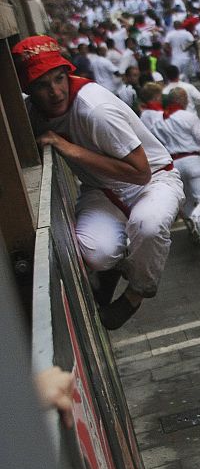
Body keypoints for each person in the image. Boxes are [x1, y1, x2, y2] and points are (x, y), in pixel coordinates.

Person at [14, 35, 184, 330]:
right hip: (102, 190)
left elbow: (140, 172)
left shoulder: (95, 109)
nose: (55, 91)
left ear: (68, 73)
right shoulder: (32, 113)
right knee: (97, 252)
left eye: (58, 78)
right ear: (29, 89)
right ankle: (114, 268)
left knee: (149, 225)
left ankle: (135, 294)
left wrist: (70, 148)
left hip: (154, 181)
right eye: (42, 85)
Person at [157, 87, 200, 246]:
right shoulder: (189, 117)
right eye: (185, 99)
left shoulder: (159, 121)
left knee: (187, 200)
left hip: (174, 164)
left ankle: (199, 234)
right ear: (181, 100)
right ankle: (197, 219)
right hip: (192, 160)